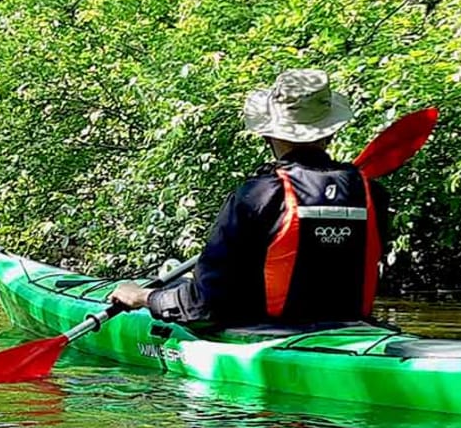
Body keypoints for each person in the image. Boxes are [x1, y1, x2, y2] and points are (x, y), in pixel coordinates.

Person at [110, 68, 390, 329]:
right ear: (331, 131)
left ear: (269, 132)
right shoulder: (371, 193)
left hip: (268, 336)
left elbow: (203, 306)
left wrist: (144, 297)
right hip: (354, 331)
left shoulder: (257, 195)